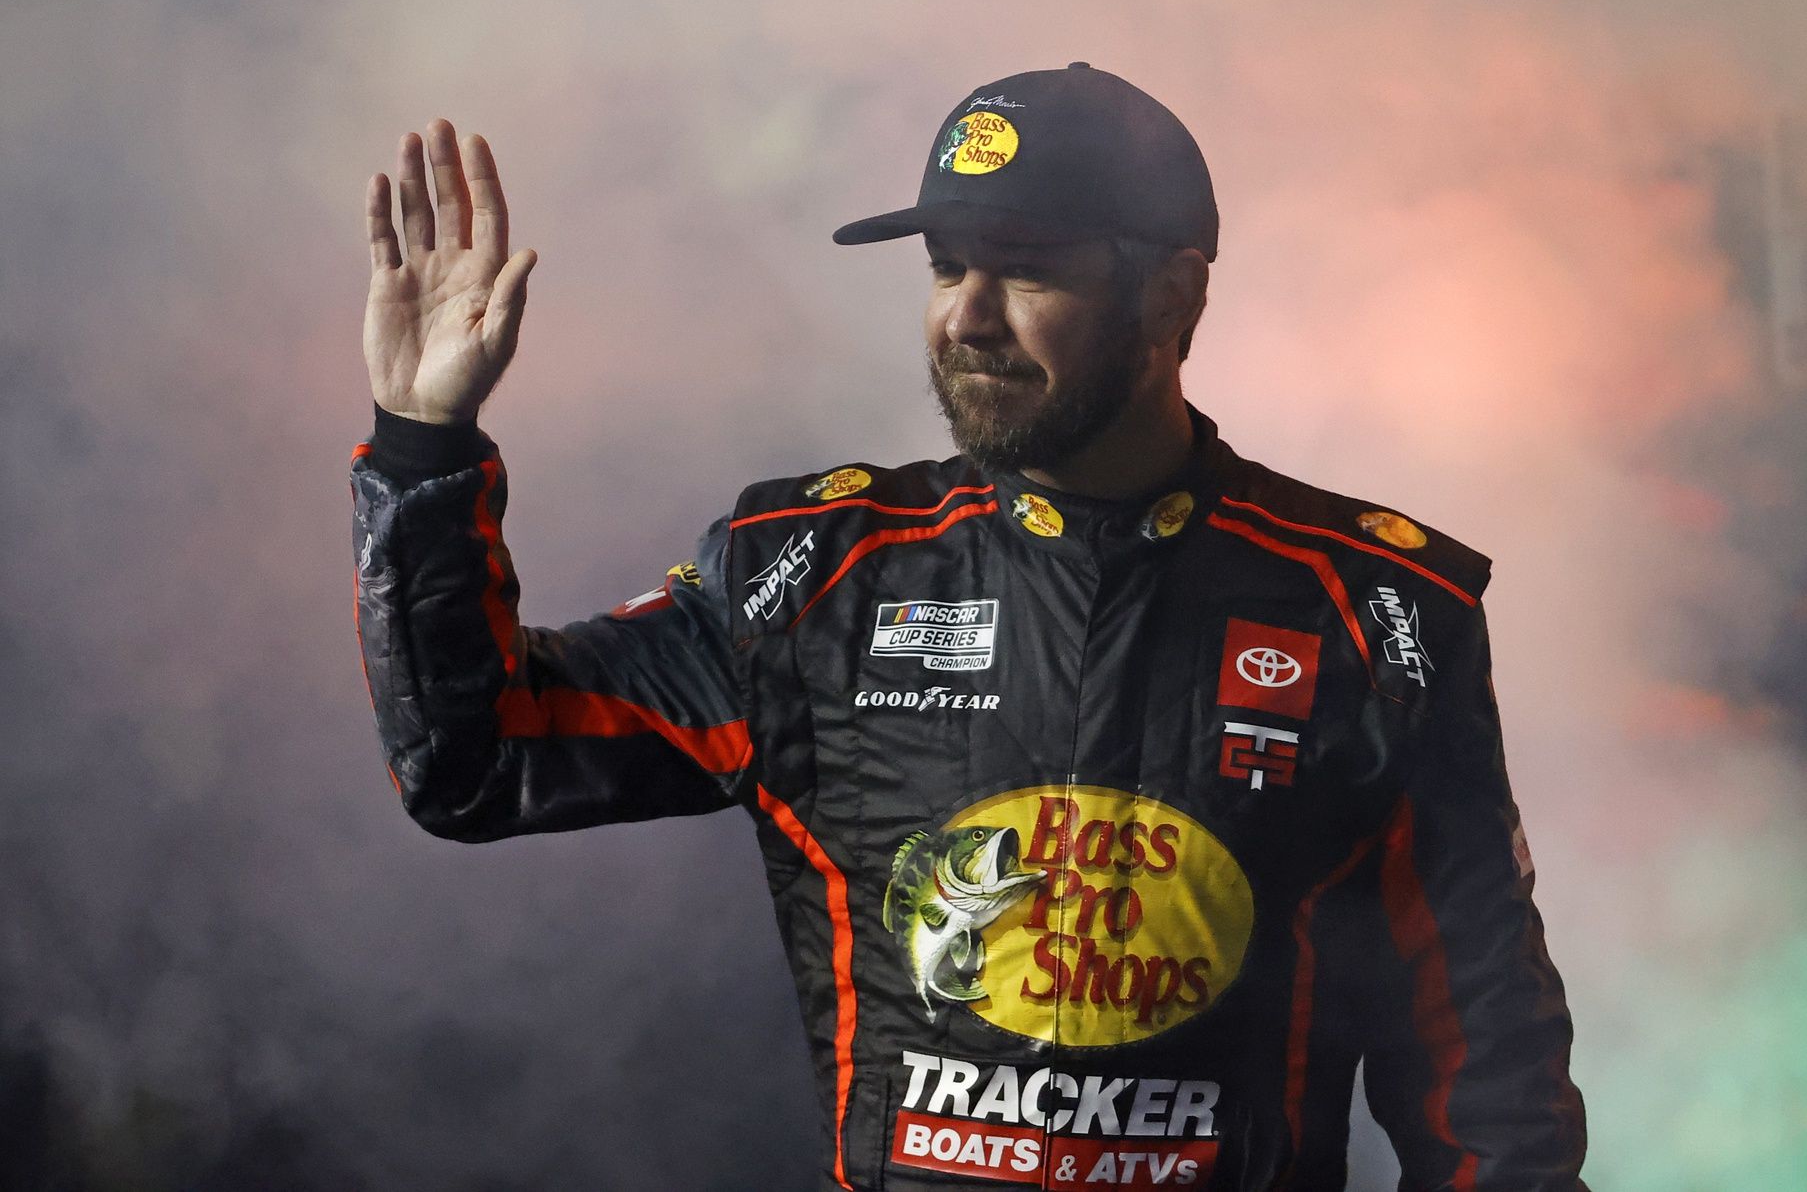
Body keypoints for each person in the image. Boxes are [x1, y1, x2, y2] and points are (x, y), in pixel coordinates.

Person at [351, 63, 1589, 1191]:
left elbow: (1487, 1084)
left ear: (1172, 292)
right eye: (947, 264)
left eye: (1028, 266)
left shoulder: (1374, 614)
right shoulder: (813, 581)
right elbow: (475, 760)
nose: (968, 316)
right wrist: (421, 444)